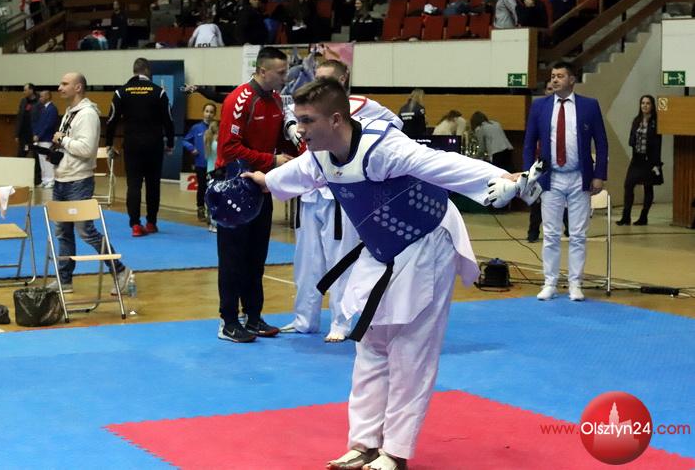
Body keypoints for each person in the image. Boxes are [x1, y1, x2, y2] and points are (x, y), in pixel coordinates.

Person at [243, 77, 523, 470]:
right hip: (381, 248)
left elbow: (440, 164)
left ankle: (396, 451)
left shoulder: (383, 147)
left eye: (307, 121)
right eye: (298, 120)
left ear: (336, 119)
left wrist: (500, 178)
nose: (299, 130)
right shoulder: (320, 154)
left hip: (427, 242)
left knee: (410, 351)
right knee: (370, 345)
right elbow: (299, 174)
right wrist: (264, 182)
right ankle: (364, 443)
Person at [281, 59, 403, 343]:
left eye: (327, 80)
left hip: (339, 190)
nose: (320, 85)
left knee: (340, 259)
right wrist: (293, 128)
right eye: (317, 79)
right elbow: (288, 114)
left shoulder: (362, 105)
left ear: (343, 79)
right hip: (309, 191)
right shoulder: (305, 107)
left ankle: (342, 321)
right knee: (306, 260)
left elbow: (395, 124)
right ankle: (304, 320)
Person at [214, 46, 294, 343]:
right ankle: (228, 321)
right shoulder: (239, 100)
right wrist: (271, 160)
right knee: (233, 257)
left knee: (257, 255)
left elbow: (279, 142)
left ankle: (253, 316)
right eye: (281, 72)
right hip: (234, 186)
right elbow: (229, 149)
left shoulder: (276, 101)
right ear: (262, 71)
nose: (286, 77)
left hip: (261, 185)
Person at [522, 61, 608, 301]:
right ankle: (550, 282)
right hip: (551, 178)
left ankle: (575, 284)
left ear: (572, 80)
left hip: (579, 177)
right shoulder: (540, 106)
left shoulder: (589, 106)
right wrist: (528, 176)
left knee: (578, 234)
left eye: (560, 76)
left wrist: (599, 175)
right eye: (552, 76)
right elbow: (529, 143)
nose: (554, 80)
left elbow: (601, 143)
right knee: (550, 233)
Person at [49, 72, 132, 294]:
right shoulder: (70, 113)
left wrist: (62, 139)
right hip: (62, 179)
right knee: (63, 233)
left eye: (64, 84)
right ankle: (64, 280)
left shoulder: (87, 114)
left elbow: (86, 149)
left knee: (86, 231)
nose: (59, 87)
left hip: (78, 181)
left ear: (78, 88)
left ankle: (120, 271)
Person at [105, 58, 175, 237]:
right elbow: (168, 120)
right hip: (154, 144)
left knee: (134, 185)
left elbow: (111, 120)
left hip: (132, 145)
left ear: (134, 70)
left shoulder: (121, 92)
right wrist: (170, 143)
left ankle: (135, 225)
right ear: (148, 71)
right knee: (153, 184)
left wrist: (109, 143)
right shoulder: (159, 92)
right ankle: (151, 222)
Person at [527, 80, 569, 242]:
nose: (552, 91)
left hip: (560, 164)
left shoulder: (566, 112)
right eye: (549, 89)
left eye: (555, 88)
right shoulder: (539, 110)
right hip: (540, 164)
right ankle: (533, 232)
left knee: (561, 199)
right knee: (537, 199)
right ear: (545, 91)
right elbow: (531, 139)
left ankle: (570, 228)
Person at [617, 95, 662, 226]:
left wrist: (656, 163)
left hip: (649, 159)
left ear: (652, 106)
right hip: (637, 158)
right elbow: (631, 139)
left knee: (648, 187)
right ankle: (626, 217)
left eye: (648, 103)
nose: (645, 106)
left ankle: (644, 216)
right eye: (643, 103)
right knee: (628, 185)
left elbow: (657, 144)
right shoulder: (636, 120)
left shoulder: (656, 122)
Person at [183, 103, 217, 220]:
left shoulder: (216, 129)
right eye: (207, 111)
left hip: (214, 165)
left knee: (213, 188)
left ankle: (211, 211)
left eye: (211, 112)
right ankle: (200, 209)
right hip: (201, 164)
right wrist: (192, 148)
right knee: (202, 187)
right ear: (203, 112)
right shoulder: (196, 128)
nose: (209, 114)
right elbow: (185, 141)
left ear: (214, 114)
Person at [32, 90, 59, 188]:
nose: (40, 98)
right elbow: (39, 124)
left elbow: (48, 125)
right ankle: (45, 179)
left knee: (47, 160)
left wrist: (39, 135)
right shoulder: (43, 109)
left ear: (47, 96)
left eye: (42, 96)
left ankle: (51, 180)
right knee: (42, 160)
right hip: (41, 139)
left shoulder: (52, 109)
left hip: (47, 138)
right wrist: (35, 134)